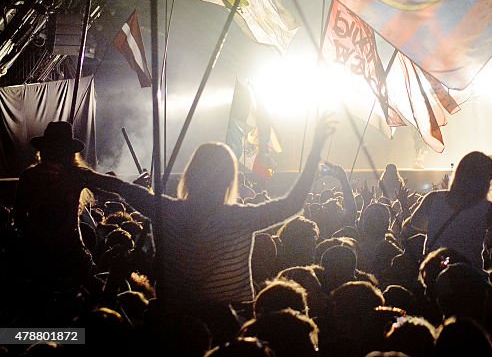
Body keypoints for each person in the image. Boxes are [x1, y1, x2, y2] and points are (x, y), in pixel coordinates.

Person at [78, 117, 337, 339]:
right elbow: (291, 204)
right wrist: (314, 152)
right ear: (228, 180)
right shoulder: (238, 218)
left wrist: (81, 174)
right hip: (222, 324)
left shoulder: (166, 210)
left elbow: (124, 189)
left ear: (191, 174)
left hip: (171, 324)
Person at [404, 151, 492, 268]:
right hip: (470, 283)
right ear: (481, 180)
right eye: (489, 179)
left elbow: (415, 223)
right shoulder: (487, 210)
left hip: (434, 280)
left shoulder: (433, 198)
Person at [13, 121, 97, 285]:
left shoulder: (30, 176)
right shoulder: (76, 176)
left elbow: (19, 216)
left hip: (35, 254)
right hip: (66, 254)